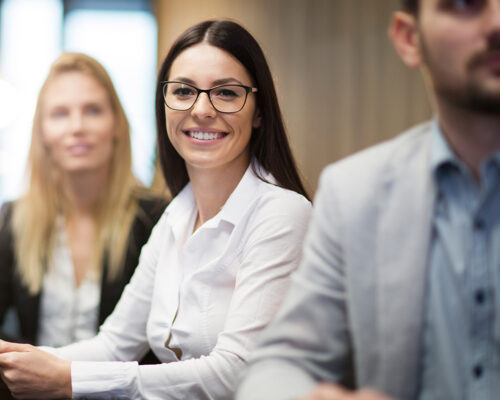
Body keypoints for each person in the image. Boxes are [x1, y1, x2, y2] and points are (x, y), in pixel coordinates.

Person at [0, 20, 311, 399]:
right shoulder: (175, 218)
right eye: (183, 91)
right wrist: (19, 360)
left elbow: (234, 371)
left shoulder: (281, 214)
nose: (201, 109)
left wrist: (69, 380)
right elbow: (113, 345)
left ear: (259, 112)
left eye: (226, 93)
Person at [236, 0, 500, 399]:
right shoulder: (355, 194)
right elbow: (277, 367)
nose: (497, 21)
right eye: (465, 3)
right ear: (410, 39)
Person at [0, 52, 167, 349]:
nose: (77, 127)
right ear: (43, 132)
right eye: (60, 114)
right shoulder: (13, 218)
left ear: (117, 125)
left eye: (92, 110)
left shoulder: (156, 219)